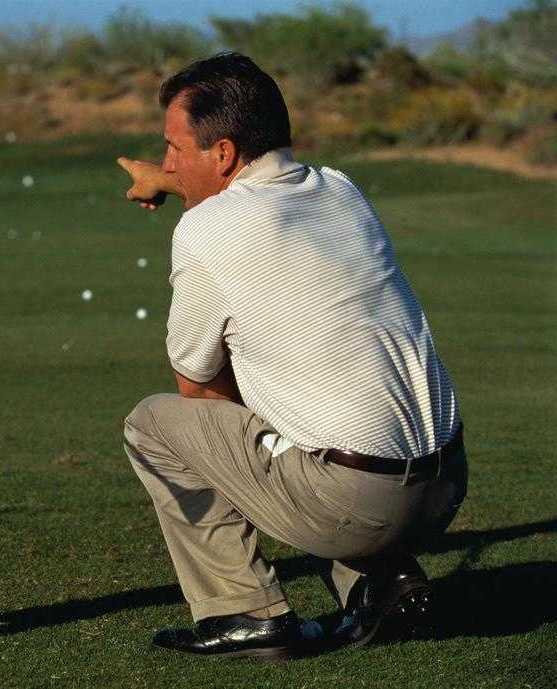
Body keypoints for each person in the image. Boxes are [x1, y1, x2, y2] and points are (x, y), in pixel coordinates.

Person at [116, 53, 467, 660]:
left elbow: (200, 391)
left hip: (358, 503)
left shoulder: (204, 231)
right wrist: (175, 181)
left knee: (156, 424)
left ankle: (244, 613)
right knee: (300, 412)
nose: (167, 161)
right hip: (445, 485)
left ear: (223, 154)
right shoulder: (340, 189)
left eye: (173, 147)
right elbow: (253, 195)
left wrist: (263, 438)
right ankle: (379, 581)